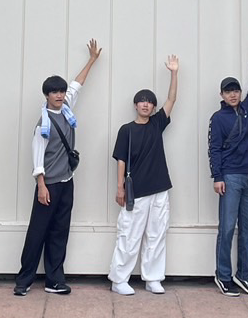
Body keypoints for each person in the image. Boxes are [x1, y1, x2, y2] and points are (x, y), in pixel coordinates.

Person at [14, 39, 102, 297]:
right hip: (48, 185)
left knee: (60, 232)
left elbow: (77, 84)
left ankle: (54, 280)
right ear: (47, 95)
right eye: (55, 92)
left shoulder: (66, 110)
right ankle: (24, 280)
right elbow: (37, 158)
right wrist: (41, 186)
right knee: (37, 233)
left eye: (61, 92)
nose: (60, 95)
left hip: (66, 181)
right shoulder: (43, 124)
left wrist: (92, 60)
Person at [108, 56, 179, 295]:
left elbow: (172, 99)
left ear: (154, 107)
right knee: (129, 235)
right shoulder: (126, 130)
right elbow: (121, 159)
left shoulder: (157, 124)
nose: (146, 105)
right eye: (142, 101)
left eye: (150, 102)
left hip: (160, 189)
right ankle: (119, 280)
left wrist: (174, 73)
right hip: (136, 192)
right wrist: (120, 188)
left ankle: (153, 278)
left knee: (157, 235)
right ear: (135, 105)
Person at [208, 33, 248, 295]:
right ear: (221, 94)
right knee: (227, 228)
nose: (233, 94)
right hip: (230, 178)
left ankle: (244, 275)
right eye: (228, 91)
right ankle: (223, 276)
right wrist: (217, 176)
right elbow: (213, 149)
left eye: (236, 91)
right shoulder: (218, 118)